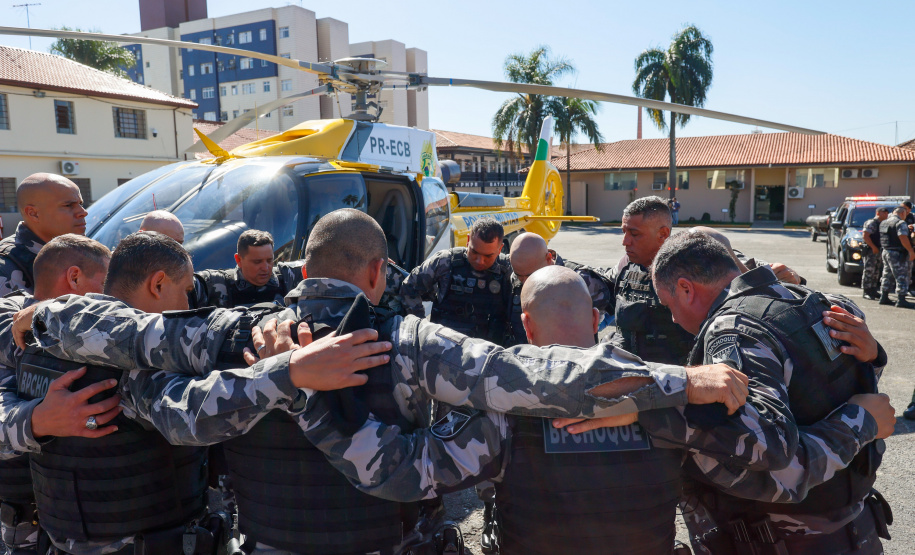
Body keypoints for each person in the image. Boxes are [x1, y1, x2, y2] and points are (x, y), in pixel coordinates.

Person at [22, 209, 751, 555]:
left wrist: (29, 320)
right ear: (375, 273)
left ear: (300, 272)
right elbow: (534, 374)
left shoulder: (229, 338)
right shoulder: (405, 343)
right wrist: (677, 379)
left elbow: (173, 414)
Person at [275, 265, 893, 555]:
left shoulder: (499, 416)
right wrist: (862, 415)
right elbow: (784, 470)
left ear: (524, 327)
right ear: (597, 321)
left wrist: (308, 397)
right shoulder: (671, 403)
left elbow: (402, 472)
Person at [650, 231, 893, 555]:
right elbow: (825, 388)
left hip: (789, 540)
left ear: (685, 288)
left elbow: (773, 463)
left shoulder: (733, 330)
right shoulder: (810, 301)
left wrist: (860, 422)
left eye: (669, 304)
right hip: (854, 531)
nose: (673, 318)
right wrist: (874, 367)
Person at [0, 235, 112, 555]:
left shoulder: (104, 331)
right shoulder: (10, 318)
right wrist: (35, 420)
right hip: (27, 511)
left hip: (82, 517)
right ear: (74, 277)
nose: (112, 293)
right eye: (105, 282)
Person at [400, 217, 512, 345]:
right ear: (468, 240)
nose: (479, 261)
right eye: (474, 252)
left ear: (500, 249)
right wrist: (421, 328)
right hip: (444, 347)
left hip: (489, 351)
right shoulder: (446, 261)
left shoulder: (508, 269)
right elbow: (409, 288)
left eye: (488, 256)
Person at [505, 232, 614, 346]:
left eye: (529, 275)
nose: (524, 282)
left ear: (548, 258)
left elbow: (604, 316)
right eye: (518, 275)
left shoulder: (581, 280)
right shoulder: (516, 275)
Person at [0, 173, 88, 296]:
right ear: (33, 213)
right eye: (68, 205)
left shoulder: (85, 252)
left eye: (81, 204)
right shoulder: (6, 265)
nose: (83, 212)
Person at [190, 229, 304, 308]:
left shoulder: (287, 278)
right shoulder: (214, 284)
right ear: (238, 260)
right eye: (257, 262)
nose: (265, 268)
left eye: (269, 260)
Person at [878, 206, 915, 307]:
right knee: (902, 275)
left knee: (887, 274)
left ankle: (884, 296)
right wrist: (910, 251)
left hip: (886, 251)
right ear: (903, 213)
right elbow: (902, 237)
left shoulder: (884, 222)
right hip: (897, 253)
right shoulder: (900, 223)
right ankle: (901, 299)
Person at [861, 207, 888, 300]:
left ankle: (873, 290)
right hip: (871, 250)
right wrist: (873, 247)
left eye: (886, 213)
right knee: (869, 271)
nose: (886, 214)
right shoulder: (872, 223)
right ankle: (866, 291)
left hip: (879, 250)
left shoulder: (883, 223)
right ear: (878, 213)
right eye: (883, 213)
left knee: (876, 271)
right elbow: (865, 236)